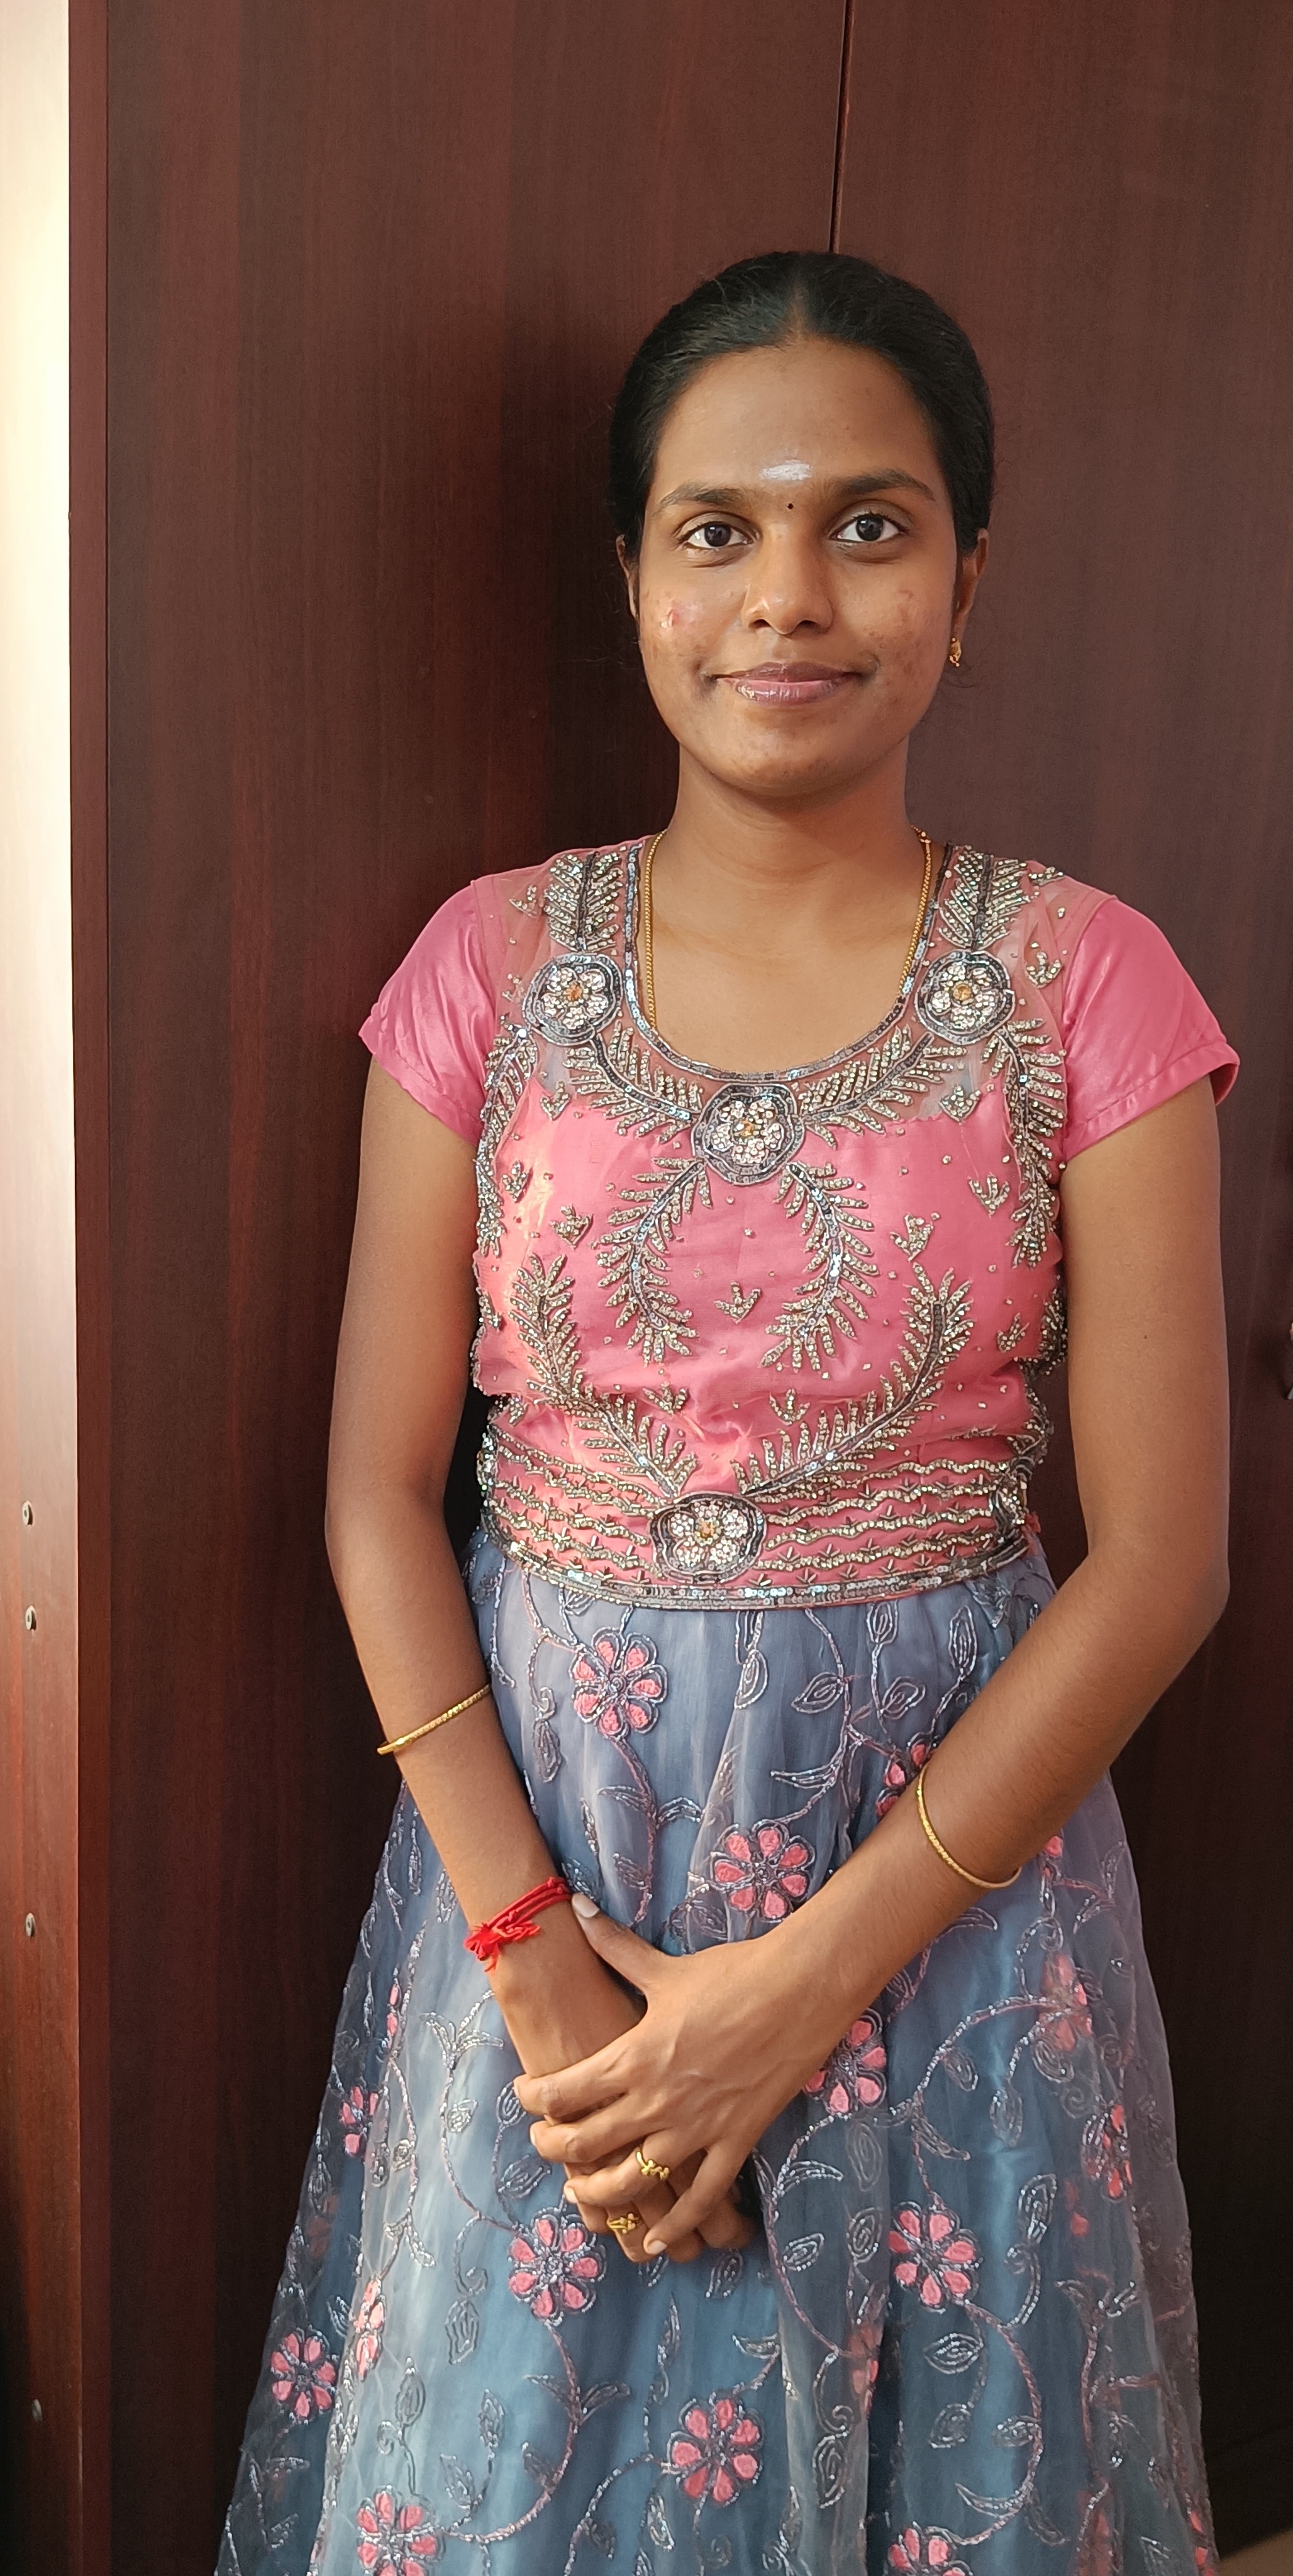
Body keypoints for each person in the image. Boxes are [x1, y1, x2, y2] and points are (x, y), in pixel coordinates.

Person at [219, 252, 1236, 2576]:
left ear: (970, 584)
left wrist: (806, 1990)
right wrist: (539, 1973)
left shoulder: (1088, 982)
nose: (790, 594)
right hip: (542, 1878)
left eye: (870, 525)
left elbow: (1166, 1561)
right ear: (634, 580)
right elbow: (376, 1497)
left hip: (955, 1898)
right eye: (718, 529)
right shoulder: (488, 966)